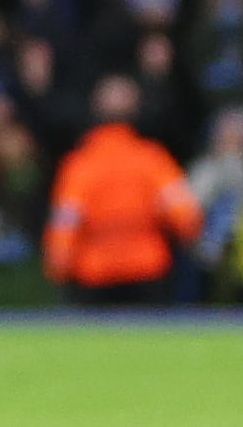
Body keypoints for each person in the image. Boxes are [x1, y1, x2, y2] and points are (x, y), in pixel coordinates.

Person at [44, 75, 199, 304]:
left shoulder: (80, 165)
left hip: (95, 276)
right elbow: (186, 216)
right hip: (147, 272)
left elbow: (66, 222)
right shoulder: (152, 159)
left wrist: (58, 266)